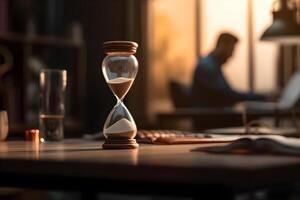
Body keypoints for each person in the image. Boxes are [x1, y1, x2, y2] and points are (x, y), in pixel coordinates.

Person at [191, 32, 265, 107]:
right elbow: (227, 94)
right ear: (222, 46)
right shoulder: (207, 67)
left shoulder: (211, 64)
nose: (231, 55)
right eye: (231, 49)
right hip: (210, 116)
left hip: (212, 115)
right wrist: (262, 97)